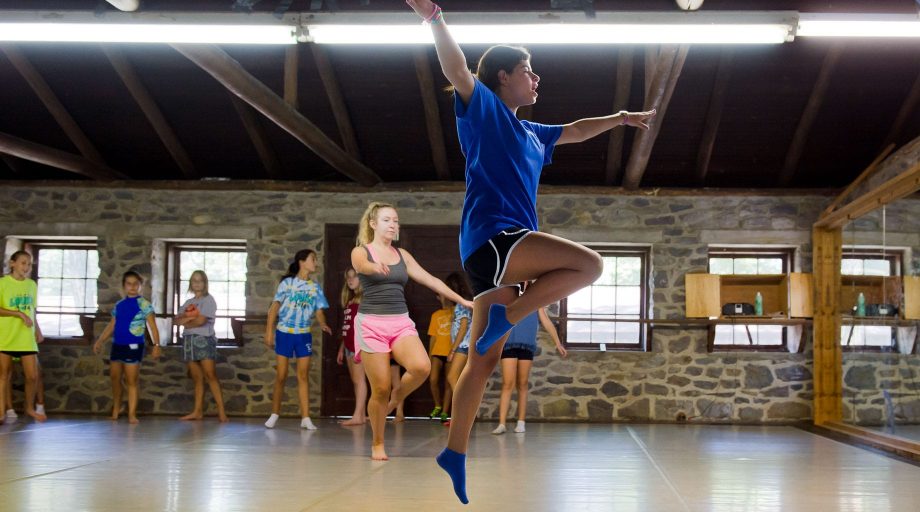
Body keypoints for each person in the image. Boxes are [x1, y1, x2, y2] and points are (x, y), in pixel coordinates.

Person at [405, 0, 656, 503]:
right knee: (590, 264)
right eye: (527, 70)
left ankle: (453, 452)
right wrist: (434, 17)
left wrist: (621, 117)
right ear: (502, 77)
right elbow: (455, 69)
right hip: (494, 236)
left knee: (483, 361)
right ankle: (511, 314)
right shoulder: (484, 111)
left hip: (496, 251)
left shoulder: (533, 132)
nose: (536, 78)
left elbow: (579, 129)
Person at [350, 202, 473, 460]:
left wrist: (462, 301)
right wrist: (375, 268)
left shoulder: (403, 255)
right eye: (386, 220)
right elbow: (361, 266)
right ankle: (377, 442)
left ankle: (398, 396)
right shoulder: (362, 251)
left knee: (421, 367)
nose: (393, 224)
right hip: (371, 323)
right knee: (379, 389)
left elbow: (431, 280)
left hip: (399, 321)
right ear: (373, 224)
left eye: (395, 220)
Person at [264, 249, 332, 430]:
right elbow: (274, 308)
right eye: (313, 259)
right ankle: (274, 414)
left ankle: (306, 418)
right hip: (284, 333)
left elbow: (319, 311)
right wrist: (269, 332)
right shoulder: (287, 284)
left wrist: (323, 324)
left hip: (303, 335)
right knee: (281, 375)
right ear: (302, 262)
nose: (315, 263)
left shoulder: (315, 288)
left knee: (303, 376)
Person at [93, 270, 161, 424]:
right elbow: (112, 325)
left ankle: (132, 413)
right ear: (124, 286)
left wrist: (156, 345)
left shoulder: (144, 304)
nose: (132, 287)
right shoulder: (119, 305)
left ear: (140, 286)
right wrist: (100, 340)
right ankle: (116, 409)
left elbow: (153, 326)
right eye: (129, 284)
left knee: (132, 380)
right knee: (115, 378)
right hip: (118, 345)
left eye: (135, 284)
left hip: (134, 346)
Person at [492, 304, 566, 435]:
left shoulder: (536, 300)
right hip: (508, 344)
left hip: (527, 345)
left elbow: (546, 321)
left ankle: (521, 422)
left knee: (523, 383)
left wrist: (558, 342)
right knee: (507, 383)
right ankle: (502, 423)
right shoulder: (509, 297)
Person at [175, 270, 228, 422]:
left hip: (204, 340)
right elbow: (176, 320)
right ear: (191, 284)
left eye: (200, 280)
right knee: (197, 378)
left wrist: (186, 321)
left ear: (205, 283)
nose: (197, 283)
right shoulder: (188, 302)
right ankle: (197, 411)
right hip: (189, 342)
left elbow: (201, 321)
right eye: (194, 281)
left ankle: (222, 412)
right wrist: (186, 319)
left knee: (210, 375)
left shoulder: (209, 300)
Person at [0, 251, 45, 423]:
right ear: (12, 264)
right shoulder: (2, 283)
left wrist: (37, 329)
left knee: (32, 375)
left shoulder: (31, 285)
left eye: (29, 264)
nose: (26, 267)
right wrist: (18, 314)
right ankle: (2, 411)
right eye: (23, 263)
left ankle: (29, 408)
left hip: (26, 336)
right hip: (6, 335)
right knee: (3, 375)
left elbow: (31, 310)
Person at [336, 267, 368, 426]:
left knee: (360, 380)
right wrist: (342, 348)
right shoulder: (351, 301)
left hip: (358, 346)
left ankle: (357, 415)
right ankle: (360, 415)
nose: (350, 280)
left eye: (354, 277)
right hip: (348, 345)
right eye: (348, 277)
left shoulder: (364, 300)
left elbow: (365, 326)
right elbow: (347, 326)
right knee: (356, 381)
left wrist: (362, 347)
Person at [442, 272, 473, 426]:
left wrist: (453, 350)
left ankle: (462, 416)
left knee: (452, 378)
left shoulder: (462, 304)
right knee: (458, 380)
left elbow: (463, 327)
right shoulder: (464, 303)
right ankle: (460, 416)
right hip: (464, 346)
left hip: (463, 346)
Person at [426, 292, 454, 420]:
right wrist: (429, 355)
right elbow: (432, 337)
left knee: (448, 383)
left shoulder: (456, 312)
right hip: (437, 351)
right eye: (442, 295)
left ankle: (445, 411)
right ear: (438, 297)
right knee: (433, 380)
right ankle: (437, 405)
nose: (445, 296)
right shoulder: (436, 315)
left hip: (450, 352)